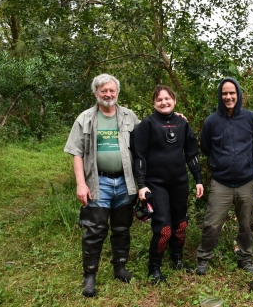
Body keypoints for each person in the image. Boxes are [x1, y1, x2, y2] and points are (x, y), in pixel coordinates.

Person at [64, 73, 140, 297]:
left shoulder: (129, 116)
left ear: (117, 92)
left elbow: (149, 135)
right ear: (96, 93)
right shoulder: (85, 118)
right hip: (98, 182)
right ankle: (89, 275)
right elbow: (77, 153)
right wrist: (81, 184)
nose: (108, 94)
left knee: (121, 228)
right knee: (94, 230)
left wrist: (174, 117)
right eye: (103, 90)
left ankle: (120, 267)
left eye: (111, 90)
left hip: (125, 181)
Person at [130, 85, 204, 283]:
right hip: (156, 184)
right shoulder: (147, 124)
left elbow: (191, 153)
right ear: (154, 103)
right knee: (164, 228)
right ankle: (154, 268)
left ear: (174, 100)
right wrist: (142, 184)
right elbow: (139, 156)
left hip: (179, 182)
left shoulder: (182, 123)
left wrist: (198, 179)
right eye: (159, 100)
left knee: (181, 225)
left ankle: (177, 259)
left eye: (167, 99)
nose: (164, 102)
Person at [195, 77, 253, 275]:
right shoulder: (211, 121)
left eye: (232, 93)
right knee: (211, 224)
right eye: (224, 93)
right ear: (220, 96)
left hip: (245, 181)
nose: (228, 97)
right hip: (221, 182)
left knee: (247, 224)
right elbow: (206, 148)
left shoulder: (251, 118)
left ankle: (245, 258)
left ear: (239, 94)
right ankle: (203, 258)